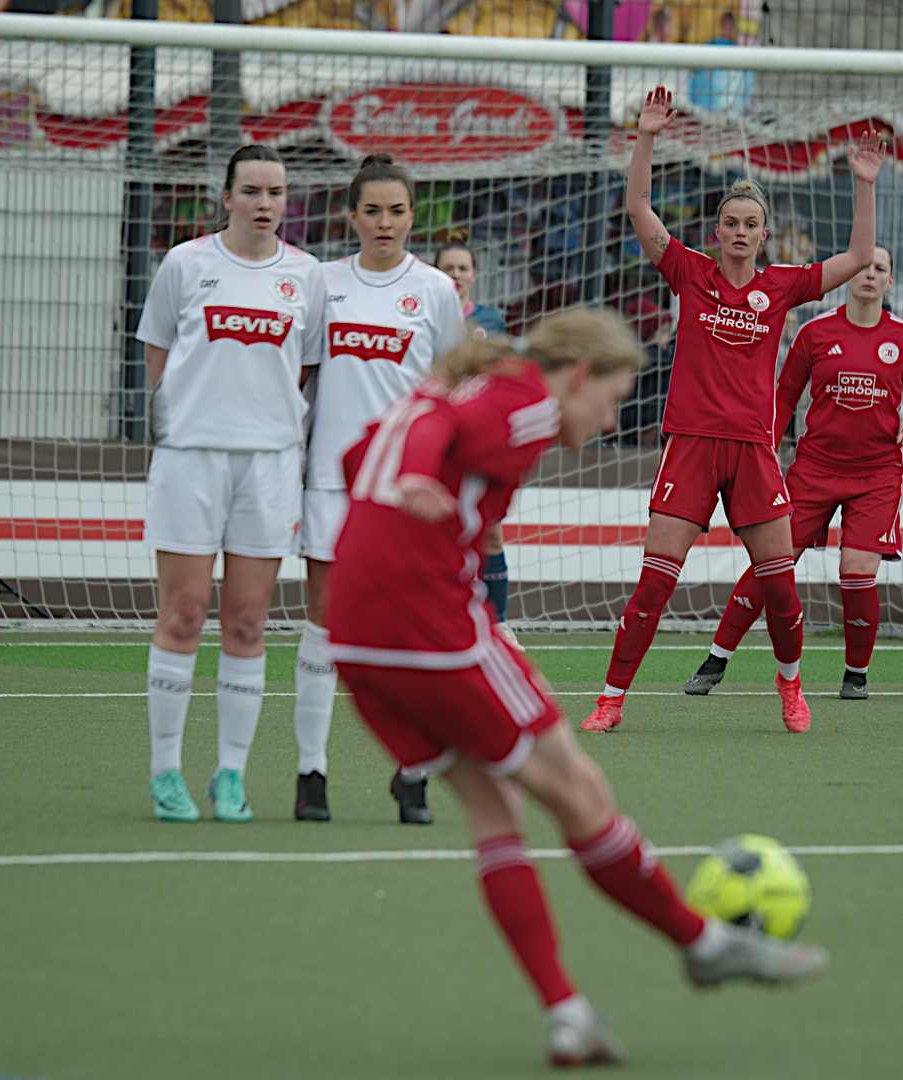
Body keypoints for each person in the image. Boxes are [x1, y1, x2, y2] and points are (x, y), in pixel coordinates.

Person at [326, 308, 830, 1066]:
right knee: (579, 790)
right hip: (431, 624)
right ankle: (704, 944)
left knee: (497, 812)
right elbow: (436, 446)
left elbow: (355, 457)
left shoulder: (454, 387)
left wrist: (421, 489)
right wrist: (419, 478)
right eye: (615, 397)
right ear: (579, 375)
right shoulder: (525, 398)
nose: (611, 418)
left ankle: (568, 1015)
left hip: (354, 633)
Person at [580, 86, 882, 735]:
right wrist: (647, 135)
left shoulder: (783, 285)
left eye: (752, 225)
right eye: (731, 225)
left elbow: (859, 258)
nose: (741, 234)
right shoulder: (689, 271)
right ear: (716, 233)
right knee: (654, 586)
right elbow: (637, 205)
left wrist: (863, 183)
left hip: (752, 449)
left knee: (780, 586)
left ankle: (791, 686)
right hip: (689, 443)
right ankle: (610, 701)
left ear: (764, 234)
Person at [135, 144, 324, 822]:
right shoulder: (186, 265)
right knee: (183, 615)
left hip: (270, 464)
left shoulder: (305, 276)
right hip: (190, 459)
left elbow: (302, 371)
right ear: (226, 196)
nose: (264, 204)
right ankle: (165, 773)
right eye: (251, 191)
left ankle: (232, 775)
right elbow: (161, 362)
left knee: (247, 622)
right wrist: (202, 419)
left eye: (275, 191)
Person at [295, 153, 465, 825]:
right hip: (329, 488)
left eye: (396, 210)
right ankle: (312, 774)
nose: (384, 222)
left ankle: (413, 773)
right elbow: (300, 383)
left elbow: (451, 396)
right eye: (372, 210)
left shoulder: (434, 291)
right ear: (351, 215)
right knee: (322, 628)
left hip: (405, 495)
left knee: (412, 636)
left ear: (412, 215)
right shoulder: (319, 283)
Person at [684, 245, 903, 700]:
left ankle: (855, 674)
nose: (870, 275)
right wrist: (767, 446)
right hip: (813, 469)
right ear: (847, 276)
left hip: (877, 473)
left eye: (880, 270)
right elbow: (784, 395)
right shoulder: (816, 333)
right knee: (772, 563)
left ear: (890, 281)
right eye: (863, 267)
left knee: (856, 572)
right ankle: (716, 659)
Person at [434, 240, 520, 641]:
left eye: (462, 268)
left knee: (490, 529)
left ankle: (498, 621)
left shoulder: (491, 319)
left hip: (480, 437)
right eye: (447, 268)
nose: (455, 275)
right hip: (435, 435)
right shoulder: (428, 314)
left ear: (474, 274)